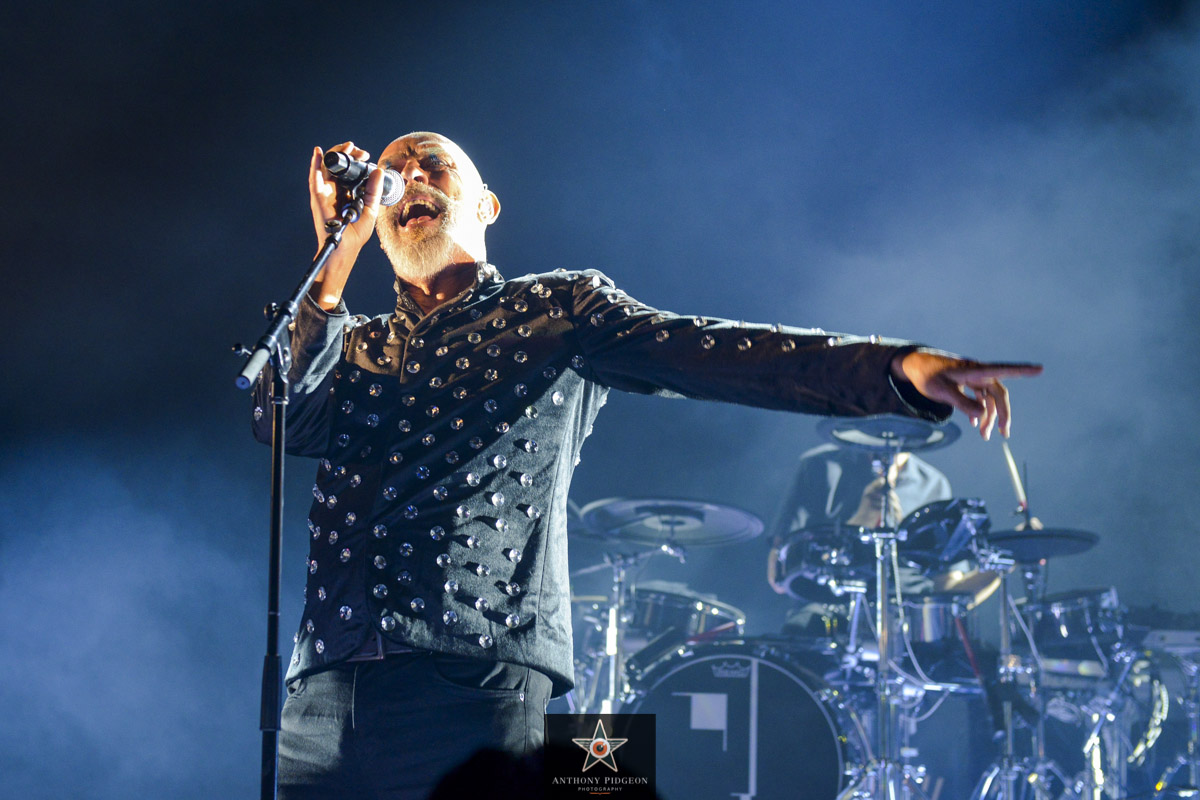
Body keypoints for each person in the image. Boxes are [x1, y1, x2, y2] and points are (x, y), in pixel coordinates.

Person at [250, 132, 1041, 799]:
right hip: (324, 694)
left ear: (486, 205)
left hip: (472, 679)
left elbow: (718, 353)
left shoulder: (557, 311)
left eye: (433, 163)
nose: (411, 176)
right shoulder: (345, 342)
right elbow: (284, 420)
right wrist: (336, 251)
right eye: (398, 171)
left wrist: (892, 371)